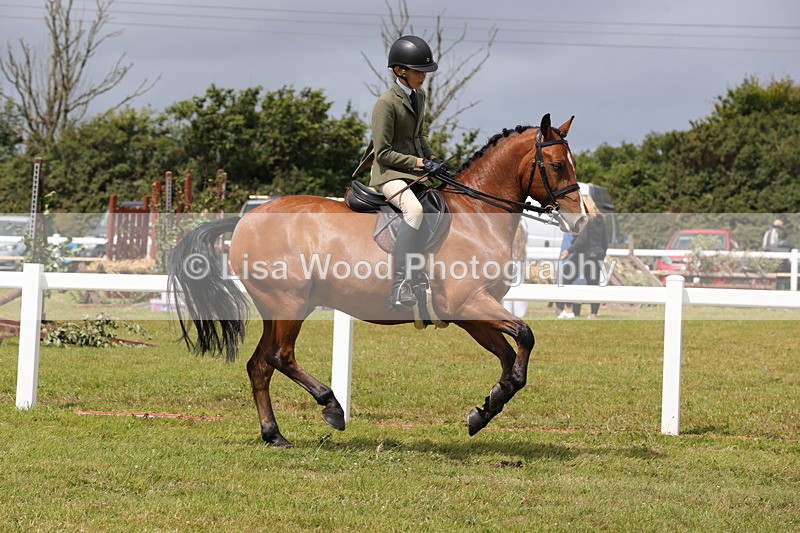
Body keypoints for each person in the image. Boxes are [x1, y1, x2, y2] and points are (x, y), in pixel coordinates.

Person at [354, 35, 446, 310]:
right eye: (419, 72)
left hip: (414, 173)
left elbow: (419, 136)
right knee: (414, 211)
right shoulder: (386, 103)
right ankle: (399, 285)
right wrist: (419, 163)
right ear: (399, 71)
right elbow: (382, 153)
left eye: (425, 72)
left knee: (439, 205)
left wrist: (432, 158)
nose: (424, 77)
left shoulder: (419, 96)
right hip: (389, 175)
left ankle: (421, 275)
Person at [558, 196, 608, 319]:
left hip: (584, 255)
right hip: (597, 255)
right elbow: (605, 241)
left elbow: (582, 240)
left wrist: (569, 251)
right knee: (593, 284)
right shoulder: (600, 219)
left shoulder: (585, 219)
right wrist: (602, 254)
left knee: (566, 278)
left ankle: (568, 310)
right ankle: (593, 314)